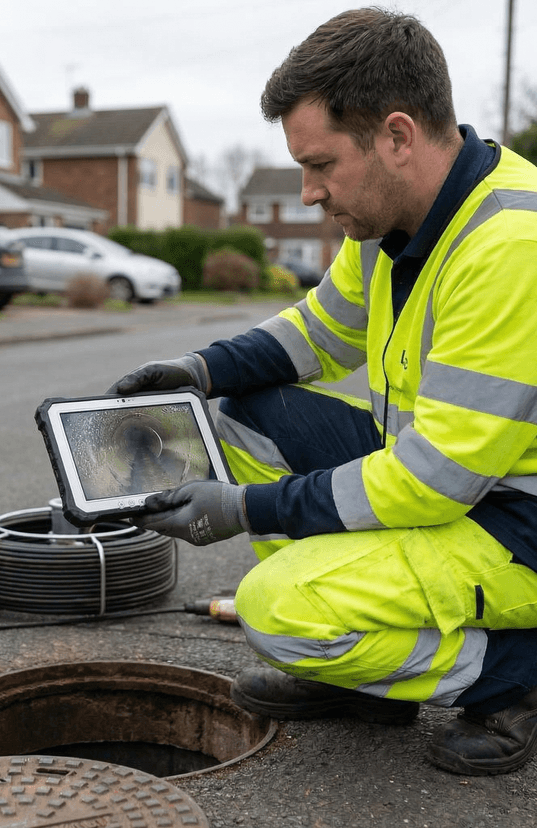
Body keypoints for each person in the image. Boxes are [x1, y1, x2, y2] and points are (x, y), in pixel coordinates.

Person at [108, 7, 537, 776]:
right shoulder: (390, 223)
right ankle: (371, 679)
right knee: (246, 412)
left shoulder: (511, 245)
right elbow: (318, 333)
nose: (308, 193)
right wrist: (199, 371)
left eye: (320, 165)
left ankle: (514, 676)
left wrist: (243, 511)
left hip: (518, 526)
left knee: (278, 607)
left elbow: (436, 478)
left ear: (397, 136)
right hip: (458, 486)